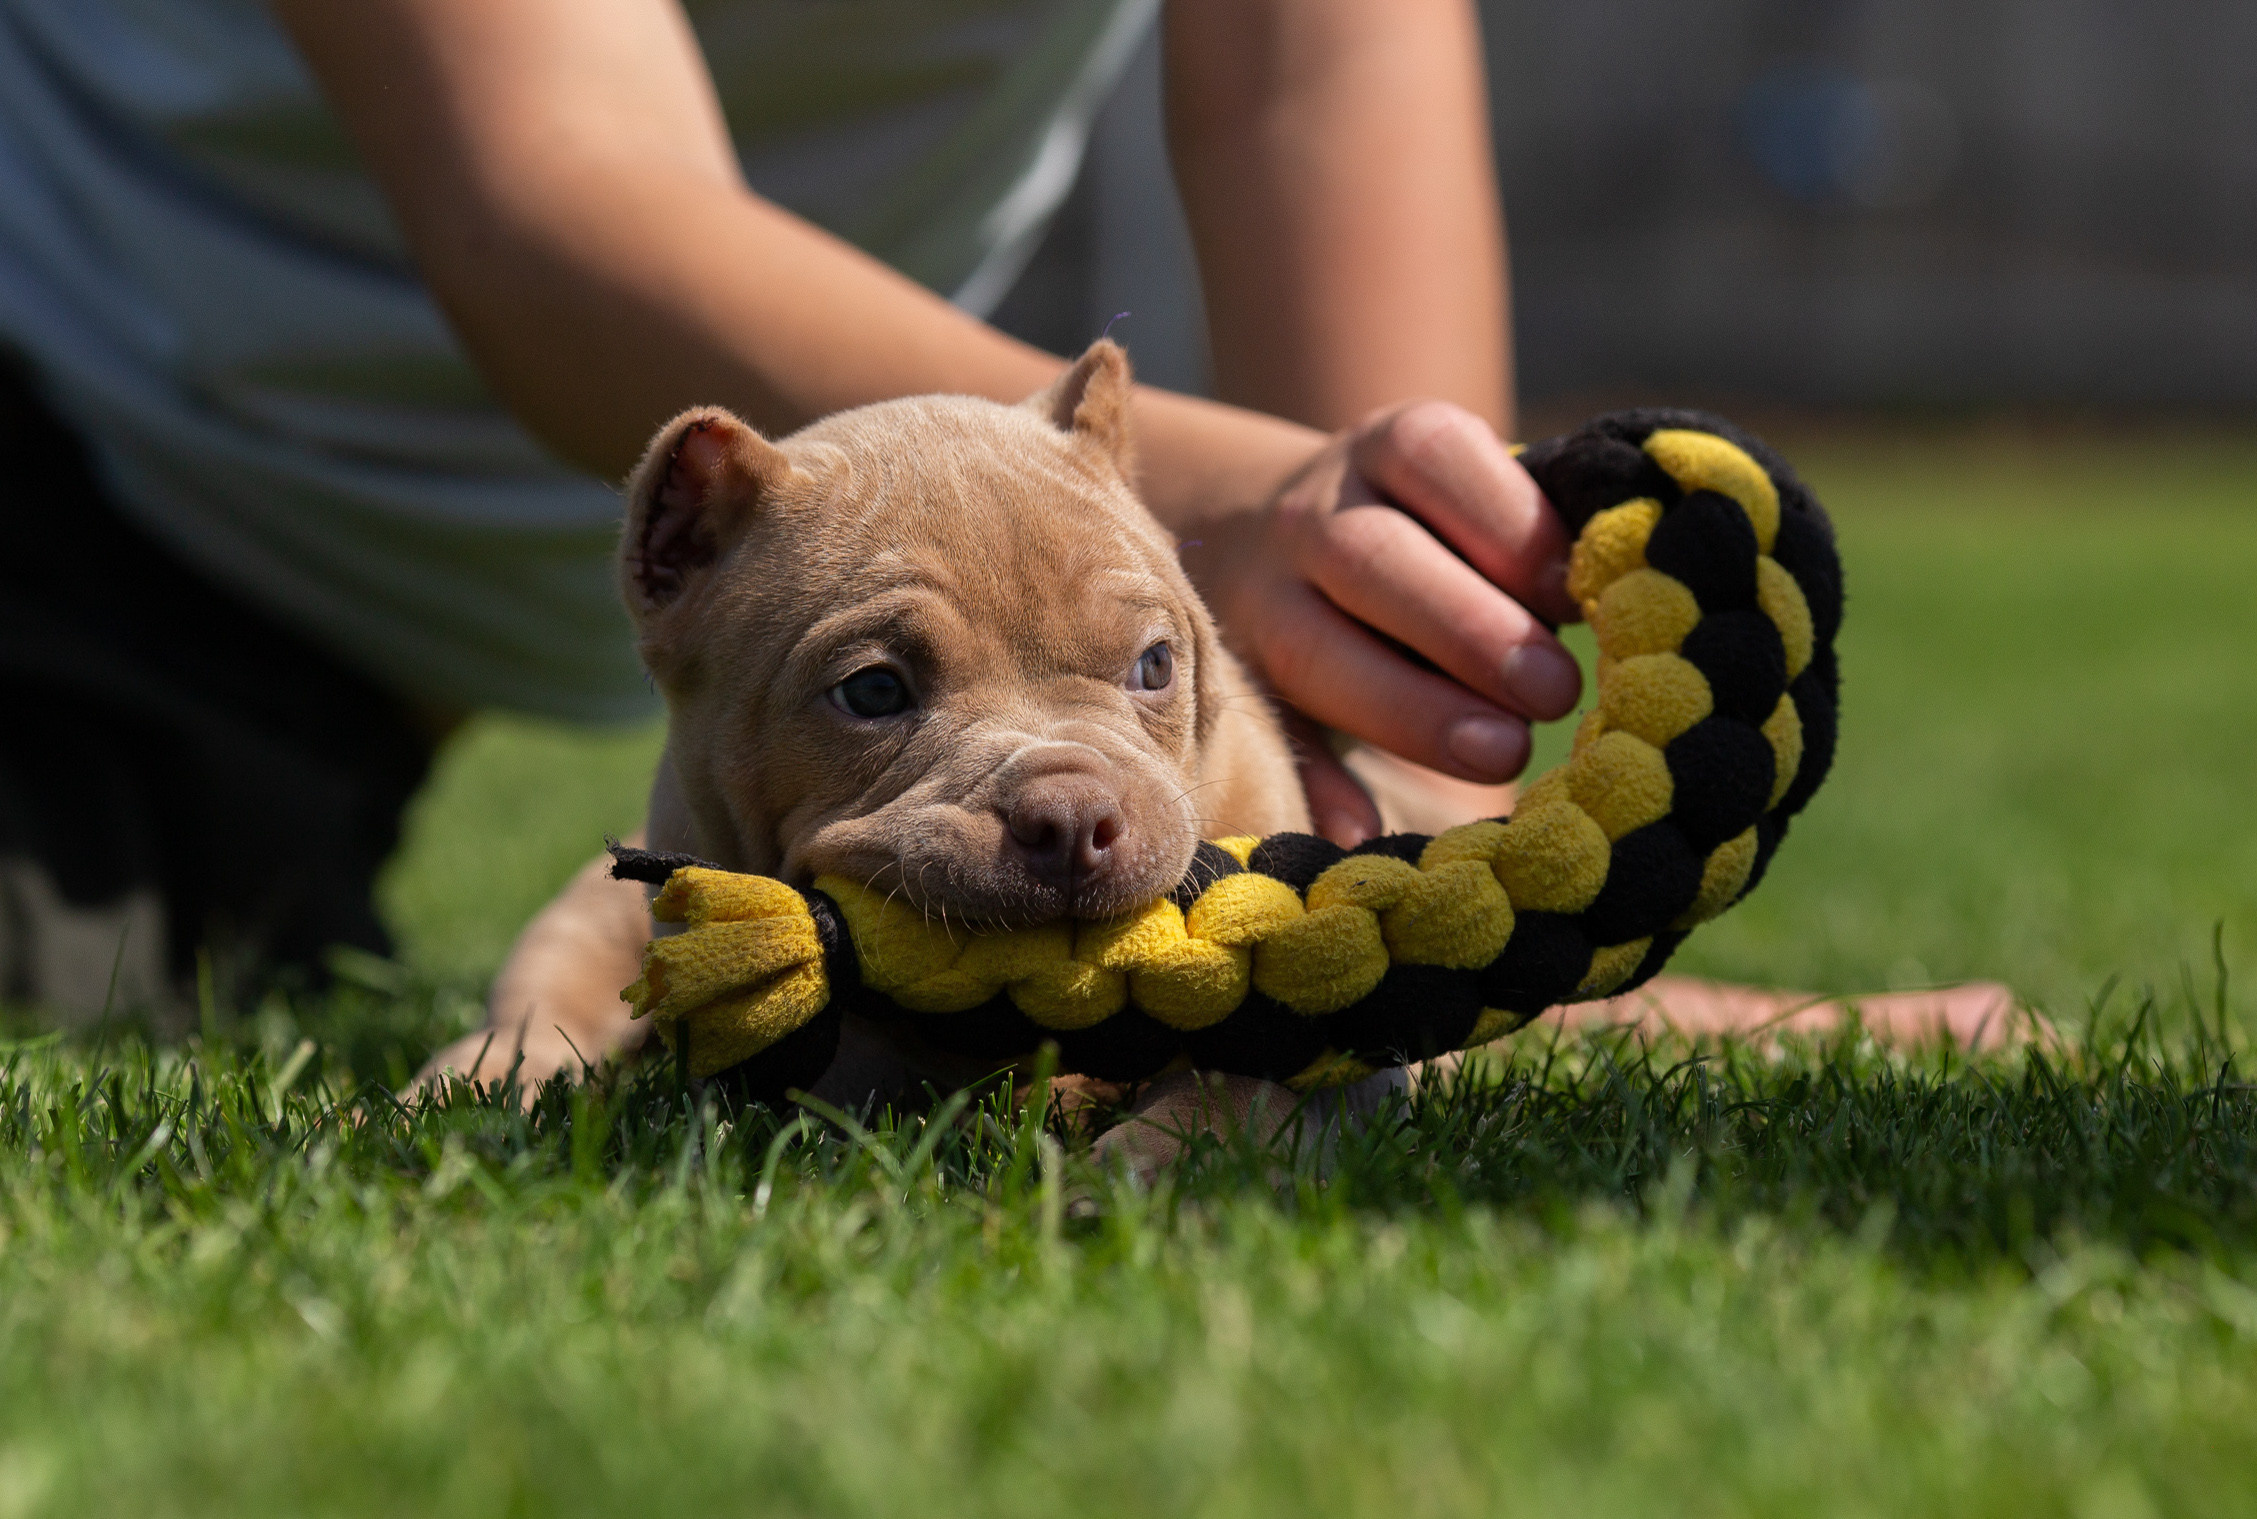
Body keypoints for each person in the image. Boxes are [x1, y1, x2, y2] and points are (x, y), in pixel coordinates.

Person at [0, 0, 2008, 1048]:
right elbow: (554, 205)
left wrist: (1409, 843)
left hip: (536, 622)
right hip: (92, 479)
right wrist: (1209, 505)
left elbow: (1316, 72)